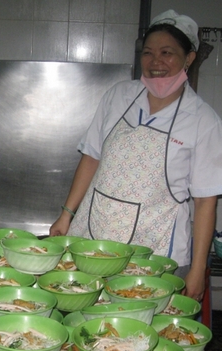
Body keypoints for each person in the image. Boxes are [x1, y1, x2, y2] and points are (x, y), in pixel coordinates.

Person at [49, 10, 222, 303]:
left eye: (167, 53)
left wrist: (197, 268)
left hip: (155, 247)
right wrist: (66, 214)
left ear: (189, 58)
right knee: (87, 313)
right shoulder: (119, 96)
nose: (155, 62)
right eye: (148, 53)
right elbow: (91, 157)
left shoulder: (203, 120)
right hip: (94, 235)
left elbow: (206, 201)